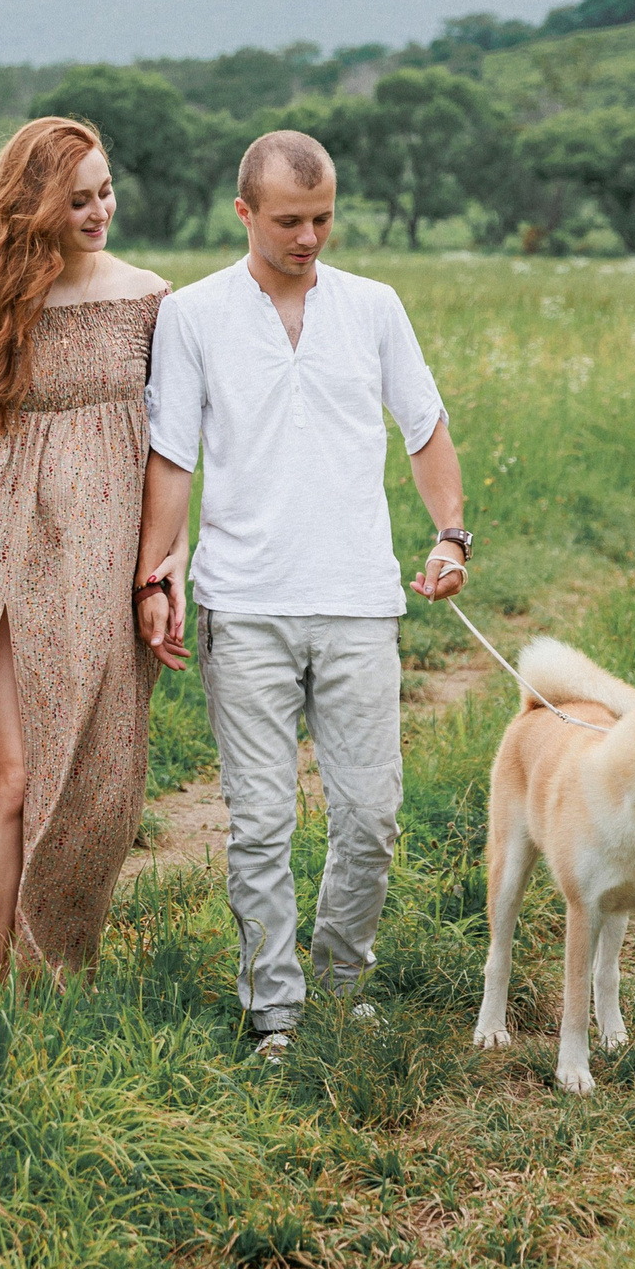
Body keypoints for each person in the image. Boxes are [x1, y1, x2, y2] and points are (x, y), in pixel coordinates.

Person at [136, 129, 468, 1061]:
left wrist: (450, 534)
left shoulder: (374, 307)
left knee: (372, 814)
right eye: (289, 220)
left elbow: (426, 425)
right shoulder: (193, 315)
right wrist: (154, 570)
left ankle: (342, 976)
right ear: (244, 213)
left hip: (361, 600)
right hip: (242, 602)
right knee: (262, 820)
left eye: (323, 217)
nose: (310, 236)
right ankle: (273, 1010)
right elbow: (172, 457)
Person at [0, 116, 179, 974]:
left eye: (105, 192)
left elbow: (175, 451)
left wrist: (167, 564)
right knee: (6, 775)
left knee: (101, 783)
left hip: (107, 562)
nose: (98, 212)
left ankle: (50, 960)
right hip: (7, 551)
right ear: (36, 204)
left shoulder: (152, 299)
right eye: (78, 199)